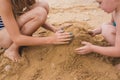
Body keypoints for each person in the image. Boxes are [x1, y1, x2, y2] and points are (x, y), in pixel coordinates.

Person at [0, 0, 72, 62]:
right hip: (3, 36)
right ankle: (12, 49)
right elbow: (17, 38)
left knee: (43, 5)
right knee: (40, 12)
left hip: (12, 27)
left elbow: (33, 15)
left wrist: (54, 29)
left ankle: (24, 40)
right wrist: (52, 39)